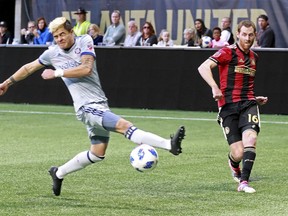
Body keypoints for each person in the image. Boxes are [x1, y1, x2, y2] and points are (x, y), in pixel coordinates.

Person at [0, 17, 186, 196]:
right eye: (56, 37)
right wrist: (7, 83)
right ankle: (169, 145)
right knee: (125, 126)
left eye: (62, 34)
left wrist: (57, 73)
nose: (59, 39)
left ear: (71, 31)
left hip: (99, 103)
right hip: (86, 108)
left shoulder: (84, 41)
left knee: (97, 153)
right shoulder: (52, 53)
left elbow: (86, 68)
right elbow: (28, 68)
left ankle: (58, 173)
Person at [198, 20, 268, 193]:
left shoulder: (254, 58)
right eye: (244, 34)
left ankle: (244, 182)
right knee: (238, 153)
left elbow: (245, 84)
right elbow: (204, 67)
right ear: (238, 34)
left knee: (251, 139)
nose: (247, 38)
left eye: (251, 34)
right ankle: (233, 164)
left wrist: (254, 98)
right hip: (227, 106)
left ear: (255, 36)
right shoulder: (227, 52)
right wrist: (215, 87)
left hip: (248, 104)